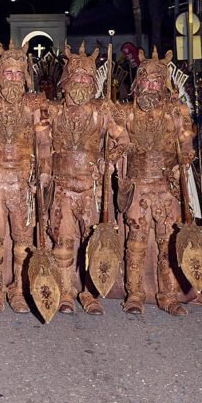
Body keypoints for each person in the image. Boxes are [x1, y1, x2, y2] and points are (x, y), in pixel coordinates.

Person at [116, 49, 202, 315]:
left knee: (166, 243)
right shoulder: (126, 113)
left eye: (157, 81)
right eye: (146, 80)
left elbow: (186, 143)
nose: (151, 86)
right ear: (138, 82)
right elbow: (119, 143)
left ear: (164, 84)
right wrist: (117, 152)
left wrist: (186, 154)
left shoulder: (177, 111)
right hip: (139, 186)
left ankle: (167, 295)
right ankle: (135, 293)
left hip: (165, 188)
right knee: (135, 242)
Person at [0, 42, 49, 314]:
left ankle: (18, 289)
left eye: (18, 73)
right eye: (9, 72)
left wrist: (45, 171)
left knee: (22, 238)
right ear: (0, 74)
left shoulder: (35, 104)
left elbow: (44, 141)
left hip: (23, 180)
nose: (13, 78)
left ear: (25, 75)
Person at [43, 43, 122, 315]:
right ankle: (65, 292)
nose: (82, 81)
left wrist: (110, 157)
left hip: (92, 187)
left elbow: (121, 139)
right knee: (63, 241)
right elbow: (41, 145)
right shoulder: (52, 111)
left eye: (87, 77)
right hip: (63, 187)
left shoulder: (103, 111)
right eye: (76, 76)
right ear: (67, 79)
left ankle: (89, 292)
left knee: (93, 242)